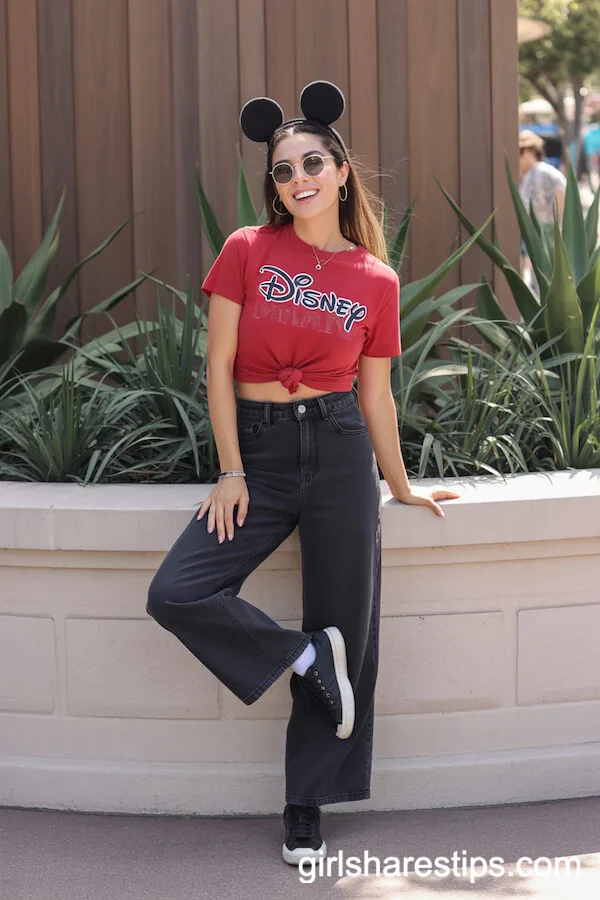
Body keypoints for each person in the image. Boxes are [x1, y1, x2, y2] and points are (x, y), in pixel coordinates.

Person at [145, 80, 459, 866]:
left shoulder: (376, 280)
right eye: (283, 171)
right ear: (273, 187)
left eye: (312, 162)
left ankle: (305, 807)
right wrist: (230, 468)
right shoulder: (247, 249)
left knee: (346, 623)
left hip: (341, 447)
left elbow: (377, 395)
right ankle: (300, 658)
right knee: (178, 590)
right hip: (259, 452)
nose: (298, 179)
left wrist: (400, 486)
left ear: (342, 169)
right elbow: (217, 367)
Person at [519, 130, 567, 295]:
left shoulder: (538, 174)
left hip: (546, 243)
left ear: (526, 153)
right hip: (548, 241)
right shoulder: (544, 172)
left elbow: (540, 211)